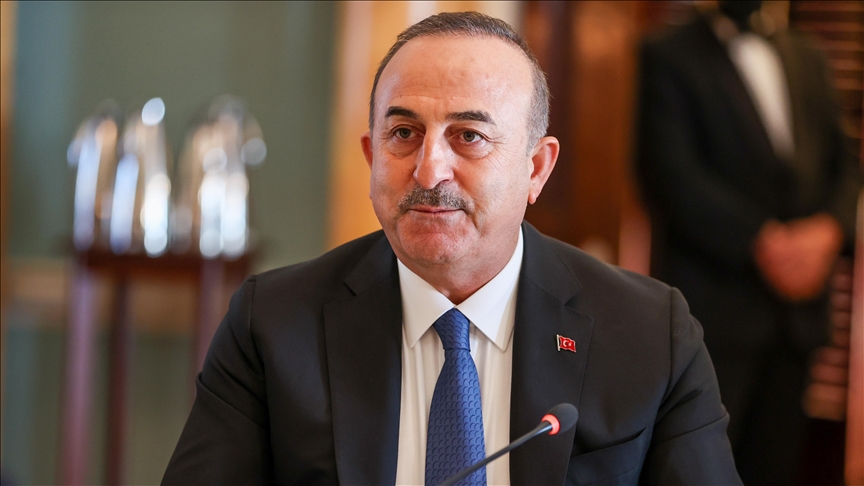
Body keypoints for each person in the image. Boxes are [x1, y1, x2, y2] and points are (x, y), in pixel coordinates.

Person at [164, 12, 740, 485]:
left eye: (469, 136)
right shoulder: (272, 324)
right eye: (403, 133)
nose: (429, 169)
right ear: (371, 155)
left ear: (536, 169)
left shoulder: (649, 334)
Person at [636, 2, 862, 485]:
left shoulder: (808, 53)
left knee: (776, 466)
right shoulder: (668, 53)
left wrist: (828, 232)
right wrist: (764, 243)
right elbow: (670, 174)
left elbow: (845, 164)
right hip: (713, 312)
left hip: (798, 316)